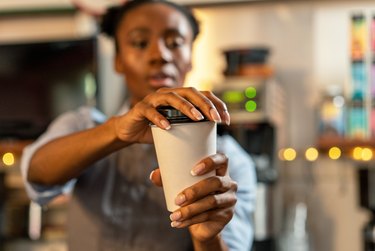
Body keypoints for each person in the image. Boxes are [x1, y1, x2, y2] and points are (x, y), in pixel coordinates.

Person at [21, 0, 257, 250]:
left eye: (175, 43)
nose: (160, 56)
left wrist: (207, 238)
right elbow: (37, 175)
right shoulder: (83, 125)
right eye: (140, 43)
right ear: (118, 61)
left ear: (190, 60)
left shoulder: (225, 161)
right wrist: (117, 131)